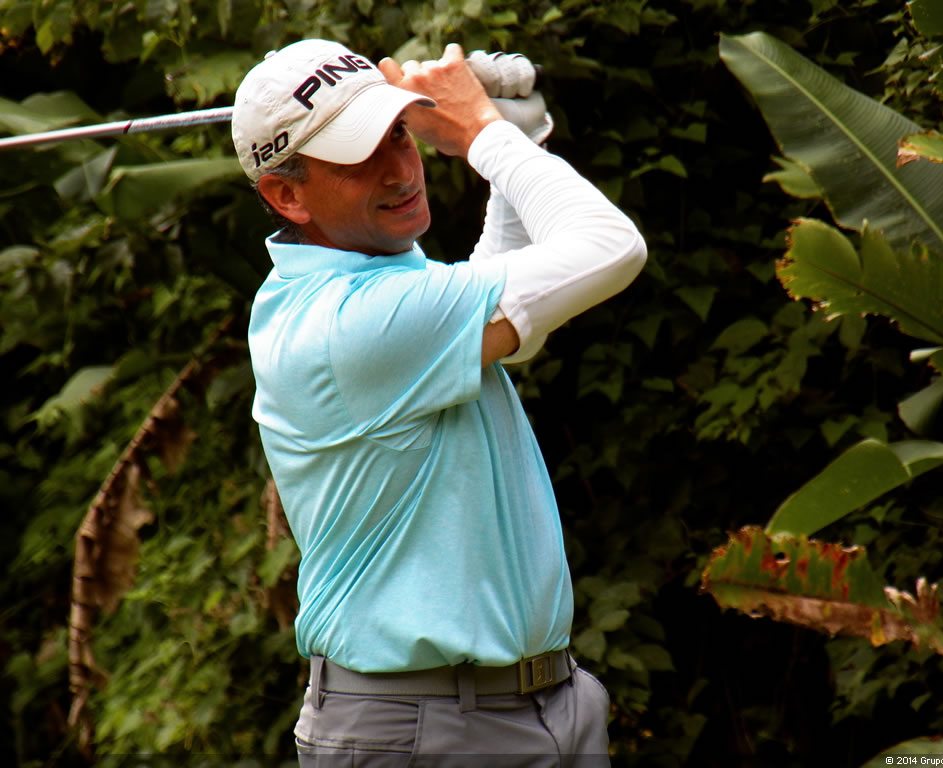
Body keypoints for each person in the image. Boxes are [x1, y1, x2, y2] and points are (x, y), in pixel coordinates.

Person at [231, 37, 647, 766]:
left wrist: (514, 140)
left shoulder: (379, 292)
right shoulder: (346, 322)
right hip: (422, 729)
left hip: (536, 706)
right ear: (287, 195)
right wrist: (483, 132)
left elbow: (512, 312)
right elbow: (611, 247)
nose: (400, 169)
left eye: (400, 133)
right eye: (358, 157)